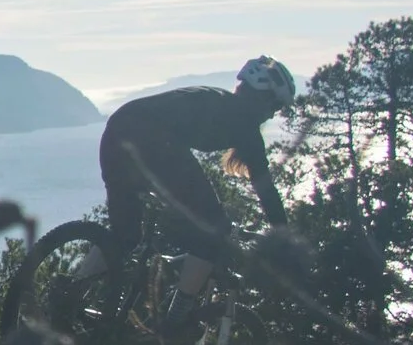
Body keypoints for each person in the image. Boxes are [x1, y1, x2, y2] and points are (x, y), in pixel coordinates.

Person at [89, 57, 298, 298]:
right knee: (215, 230)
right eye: (275, 106)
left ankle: (67, 295)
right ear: (263, 96)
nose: (272, 115)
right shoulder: (244, 123)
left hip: (117, 132)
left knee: (124, 236)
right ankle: (176, 317)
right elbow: (265, 188)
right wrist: (284, 238)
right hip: (154, 143)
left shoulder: (217, 99)